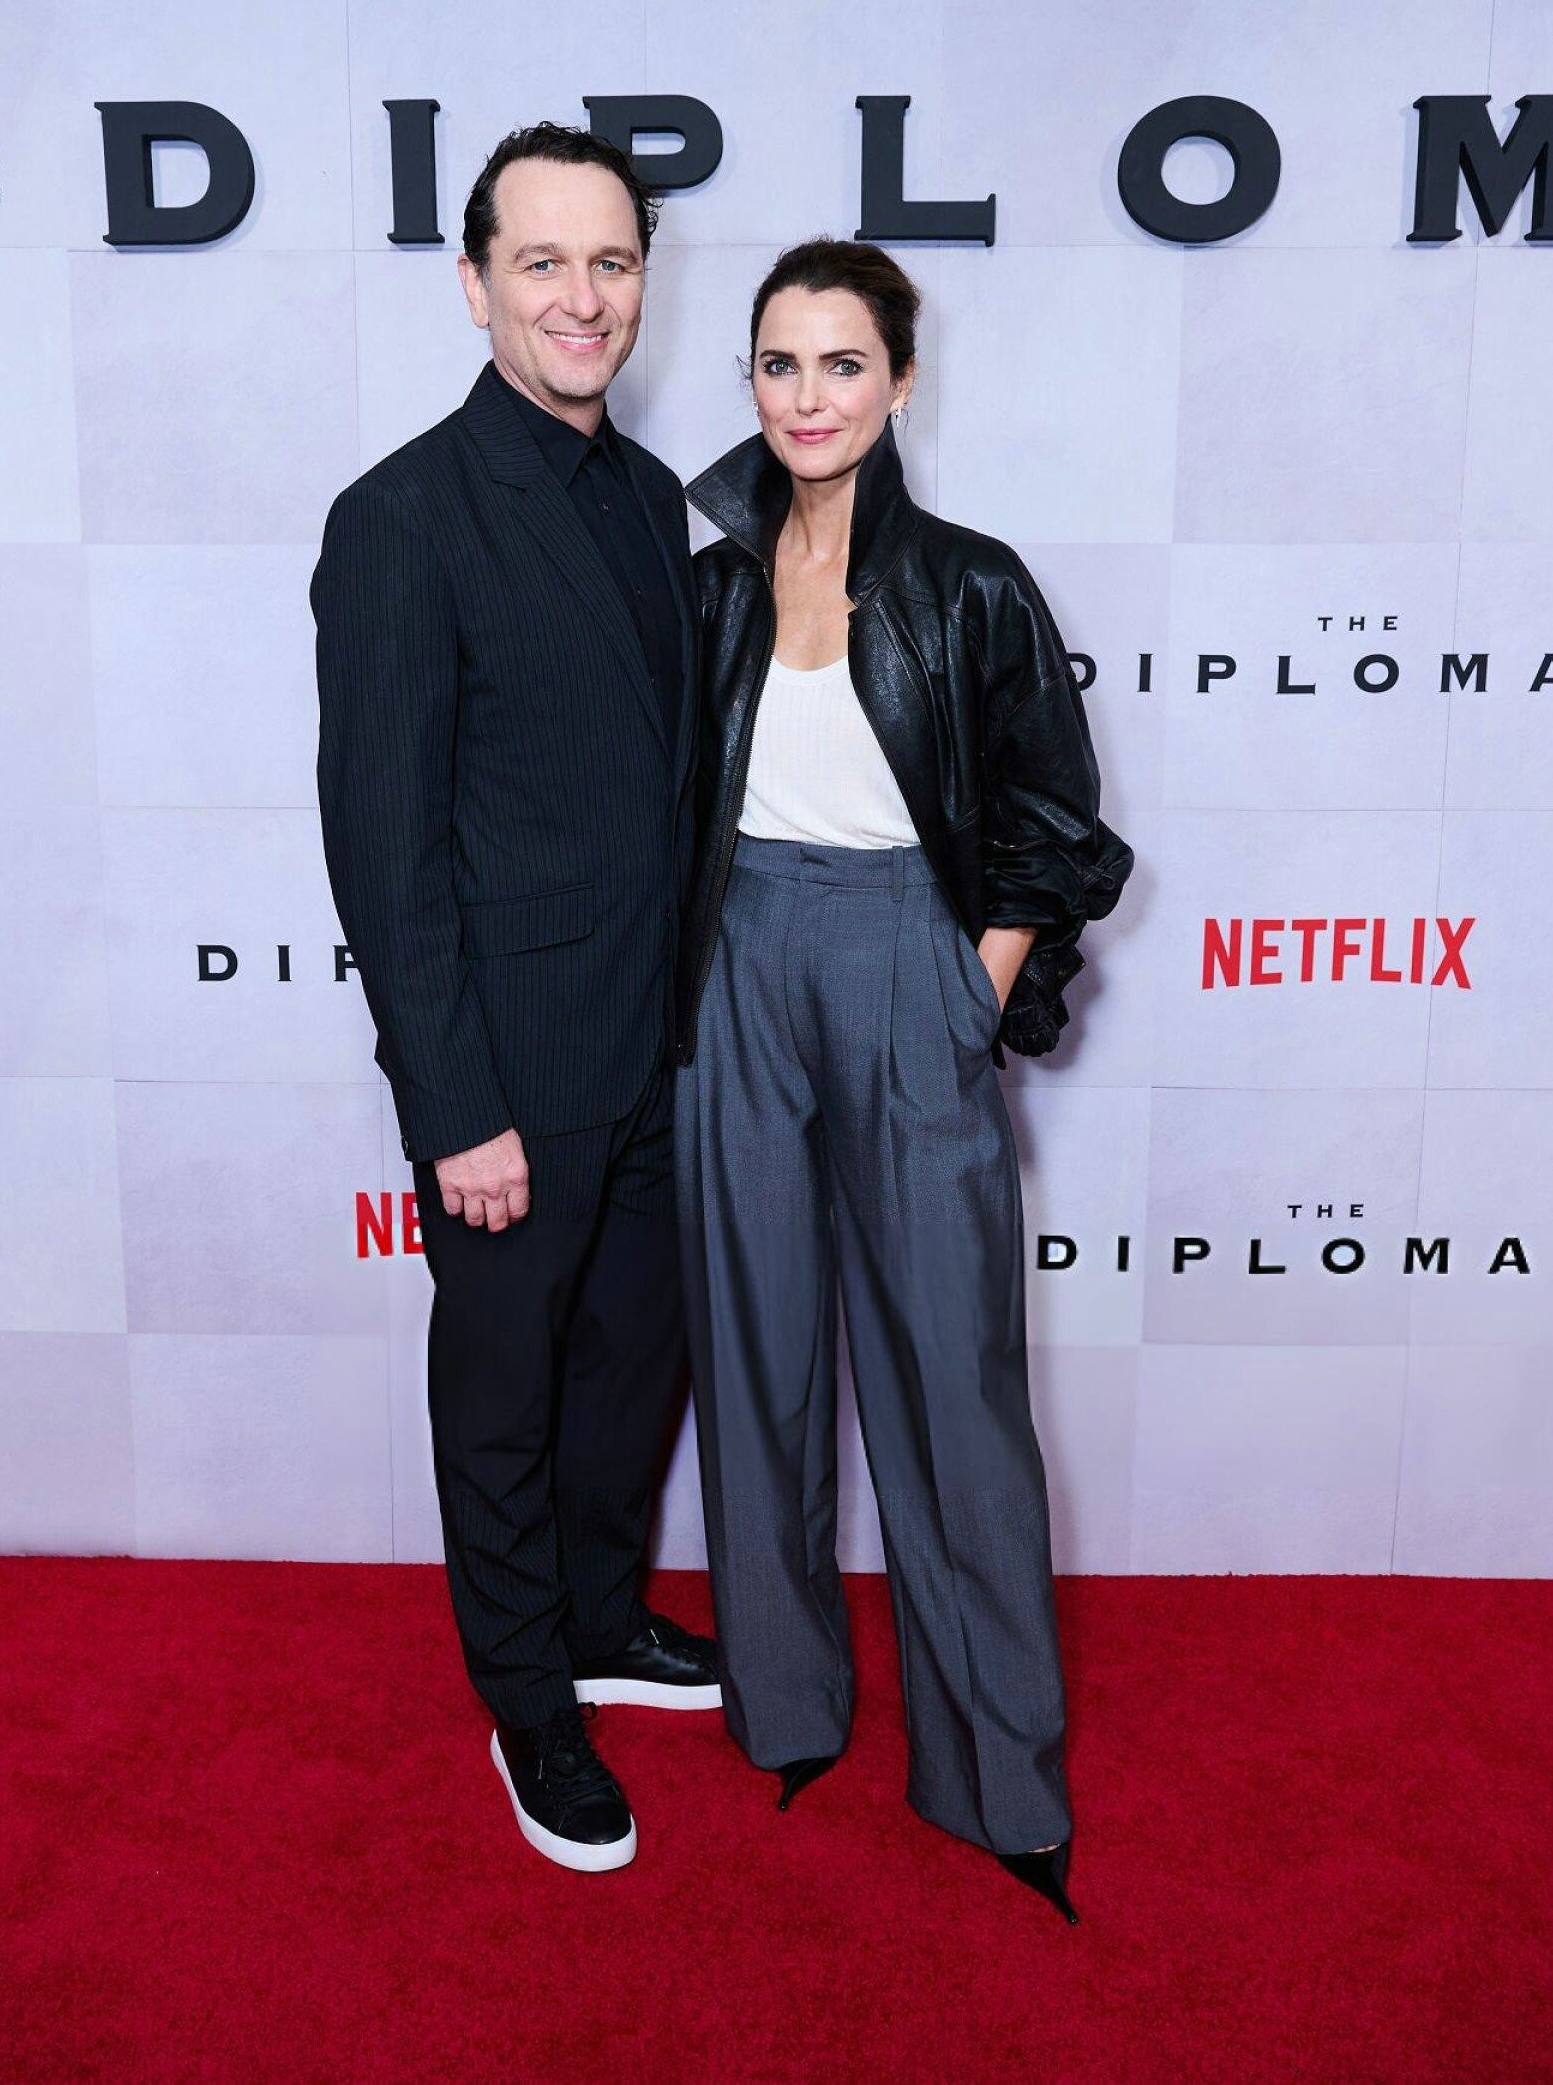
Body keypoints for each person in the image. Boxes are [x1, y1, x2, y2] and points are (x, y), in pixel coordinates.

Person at [674, 240, 1131, 1922]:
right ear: (750, 380)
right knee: (756, 1355)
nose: (808, 397)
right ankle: (786, 1708)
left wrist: (968, 988)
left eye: (842, 362)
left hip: (904, 962)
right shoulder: (713, 582)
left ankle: (998, 1772)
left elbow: (1054, 818)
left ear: (901, 380)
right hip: (734, 963)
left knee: (951, 1380)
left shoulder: (971, 583)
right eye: (778, 364)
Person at [311, 123, 718, 1877]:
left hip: (660, 1048)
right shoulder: (401, 518)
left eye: (610, 261)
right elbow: (383, 846)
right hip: (510, 1070)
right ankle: (528, 1697)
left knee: (631, 1368)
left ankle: (601, 1614)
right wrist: (453, 1103)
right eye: (541, 261)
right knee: (501, 1394)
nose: (582, 296)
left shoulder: (650, 495)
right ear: (473, 285)